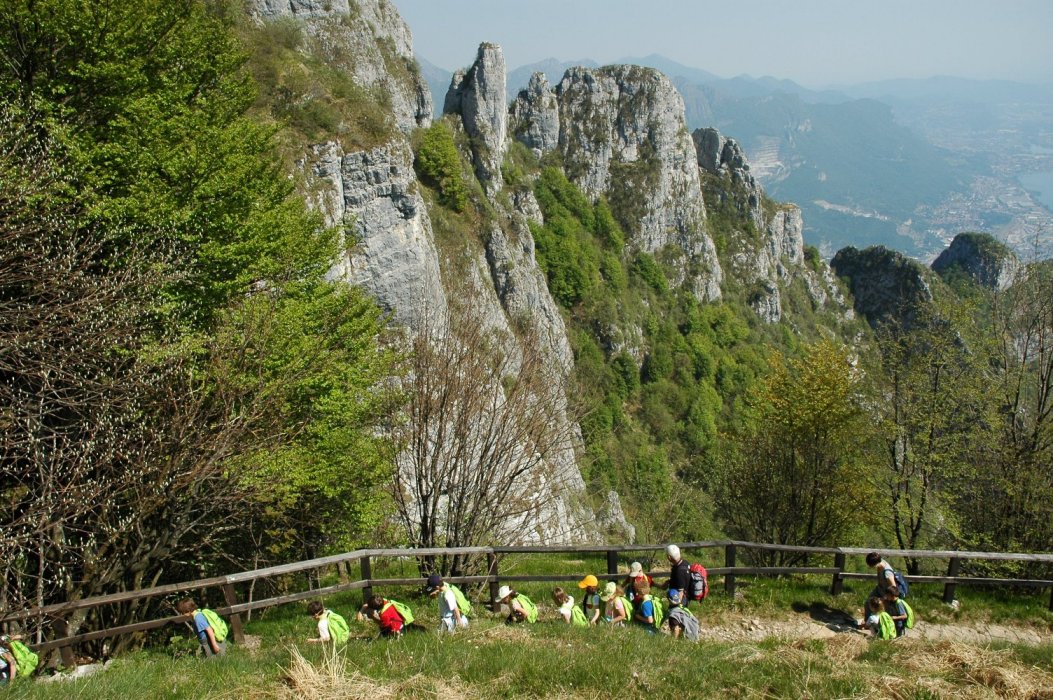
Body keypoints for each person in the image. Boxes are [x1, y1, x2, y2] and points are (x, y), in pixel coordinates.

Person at [861, 552, 899, 621]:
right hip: (879, 589)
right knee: (868, 603)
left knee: (883, 610)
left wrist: (884, 598)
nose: (870, 567)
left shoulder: (888, 573)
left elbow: (893, 588)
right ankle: (867, 622)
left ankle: (884, 624)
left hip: (887, 594)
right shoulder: (880, 564)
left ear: (876, 563)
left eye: (871, 565)